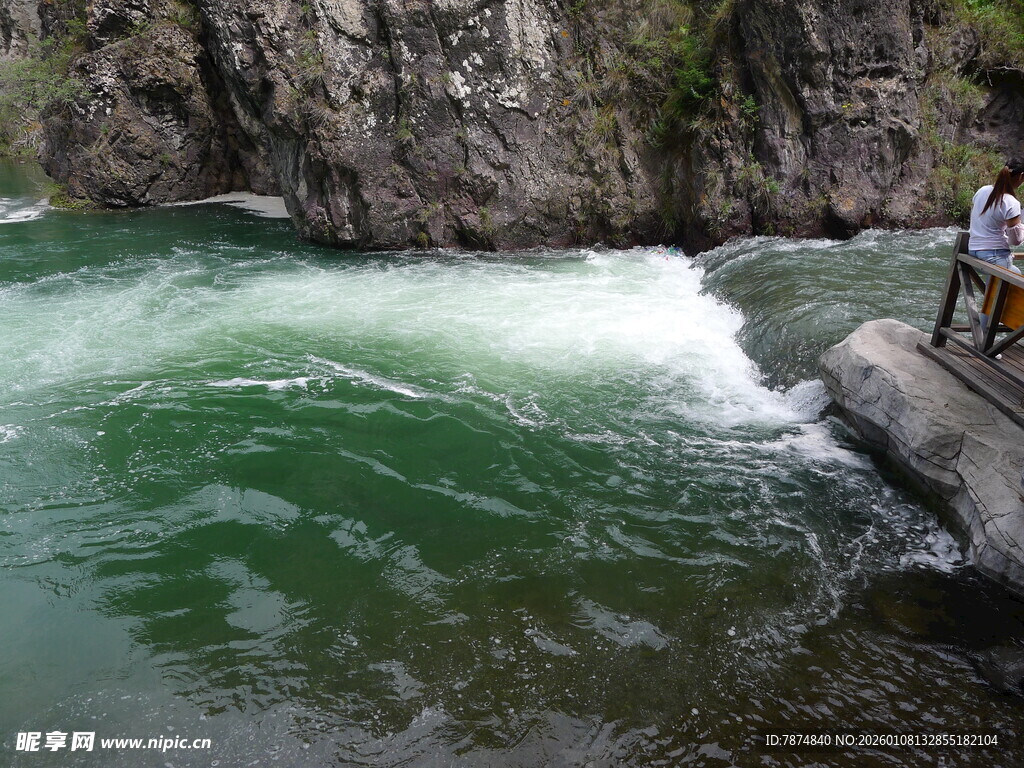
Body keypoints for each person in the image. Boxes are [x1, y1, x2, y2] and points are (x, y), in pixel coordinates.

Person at [969, 159, 1024, 275]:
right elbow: (1015, 240)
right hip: (994, 256)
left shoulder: (982, 191)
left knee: (1016, 274)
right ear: (1021, 176)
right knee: (1009, 284)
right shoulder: (1011, 202)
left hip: (973, 252)